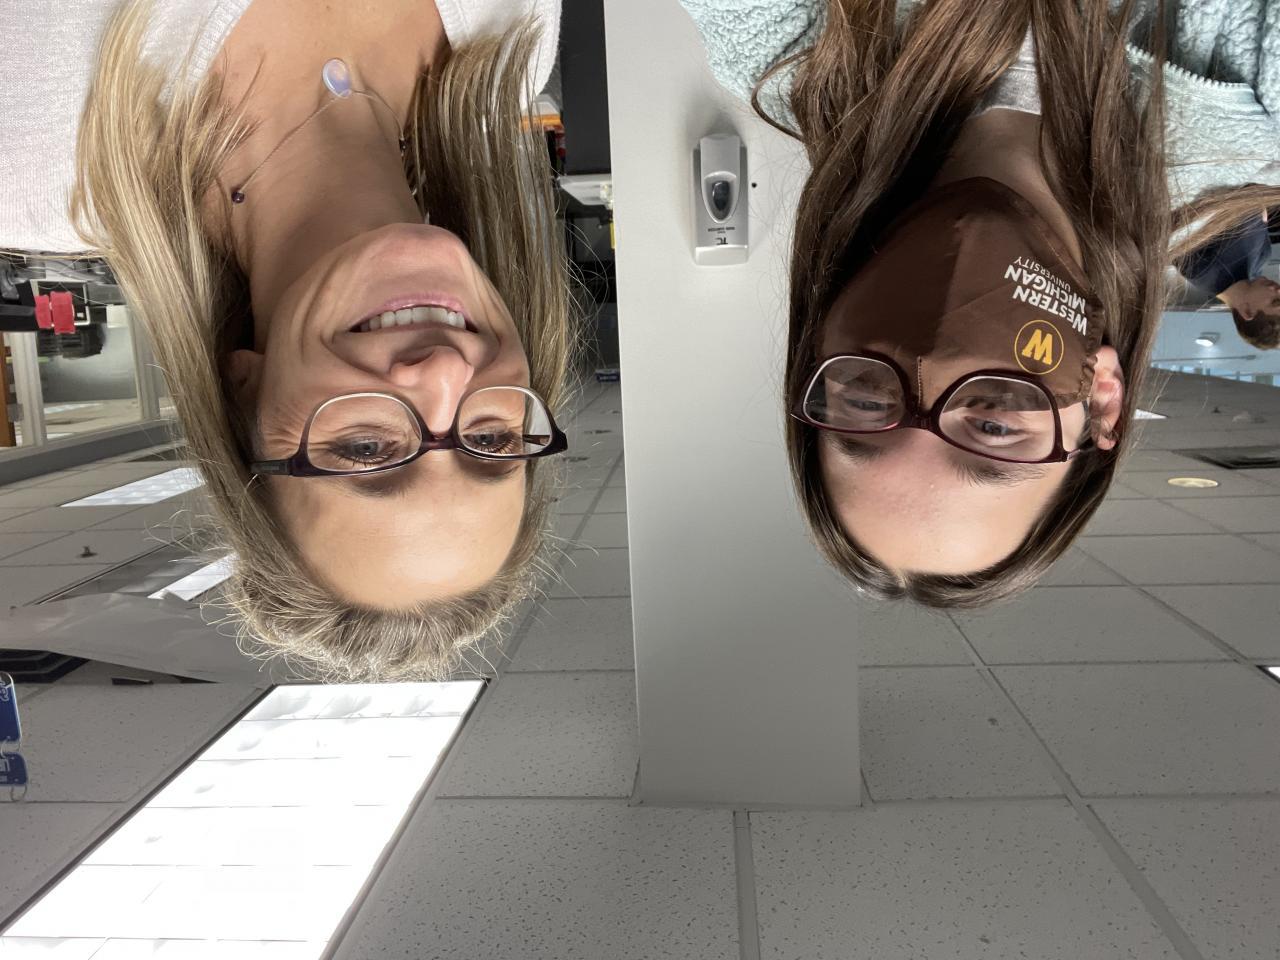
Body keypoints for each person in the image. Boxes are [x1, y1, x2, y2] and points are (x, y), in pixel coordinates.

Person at [0, 0, 573, 679]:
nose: (446, 370)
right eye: (493, 440)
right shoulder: (512, 44)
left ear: (246, 395)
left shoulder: (29, 156)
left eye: (365, 449)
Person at [680, 0, 1280, 607]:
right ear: (1102, 399)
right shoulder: (1247, 126)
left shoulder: (787, 58)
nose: (933, 359)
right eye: (994, 429)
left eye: (866, 404)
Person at [1177, 208, 1280, 350]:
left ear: (1247, 311)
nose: (1279, 290)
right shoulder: (1262, 260)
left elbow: (1180, 218)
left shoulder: (1199, 269)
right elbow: (1260, 211)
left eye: (1275, 301)